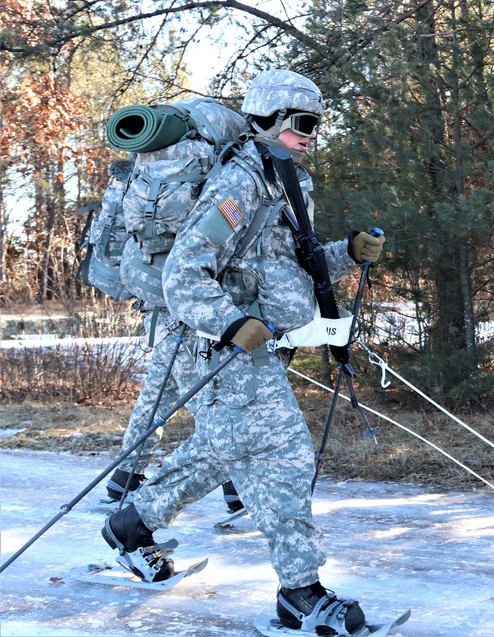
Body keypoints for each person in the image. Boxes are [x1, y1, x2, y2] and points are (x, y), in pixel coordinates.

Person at [100, 69, 386, 634]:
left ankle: (132, 523)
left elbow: (285, 268)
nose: (311, 135)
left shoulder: (286, 180)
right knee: (283, 456)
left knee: (226, 447)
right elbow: (186, 275)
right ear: (269, 121)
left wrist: (347, 252)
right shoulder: (239, 183)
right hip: (219, 348)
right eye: (302, 124)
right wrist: (230, 323)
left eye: (317, 125)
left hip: (260, 343)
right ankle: (300, 595)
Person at [104, 310, 242, 515]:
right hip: (185, 329)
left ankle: (126, 476)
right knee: (207, 404)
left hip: (164, 325)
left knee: (154, 400)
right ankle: (235, 482)